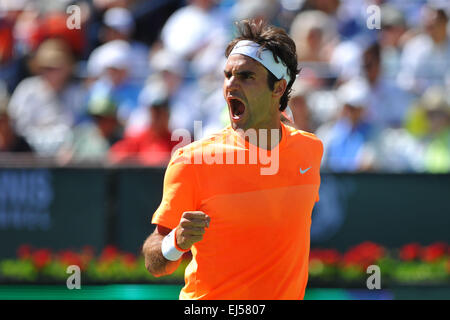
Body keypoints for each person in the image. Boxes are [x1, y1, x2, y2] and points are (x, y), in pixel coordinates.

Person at [142, 19, 323, 300]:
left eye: (246, 76)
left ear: (278, 88)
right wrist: (175, 242)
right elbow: (154, 263)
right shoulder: (192, 161)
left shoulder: (311, 150)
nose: (231, 86)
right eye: (228, 76)